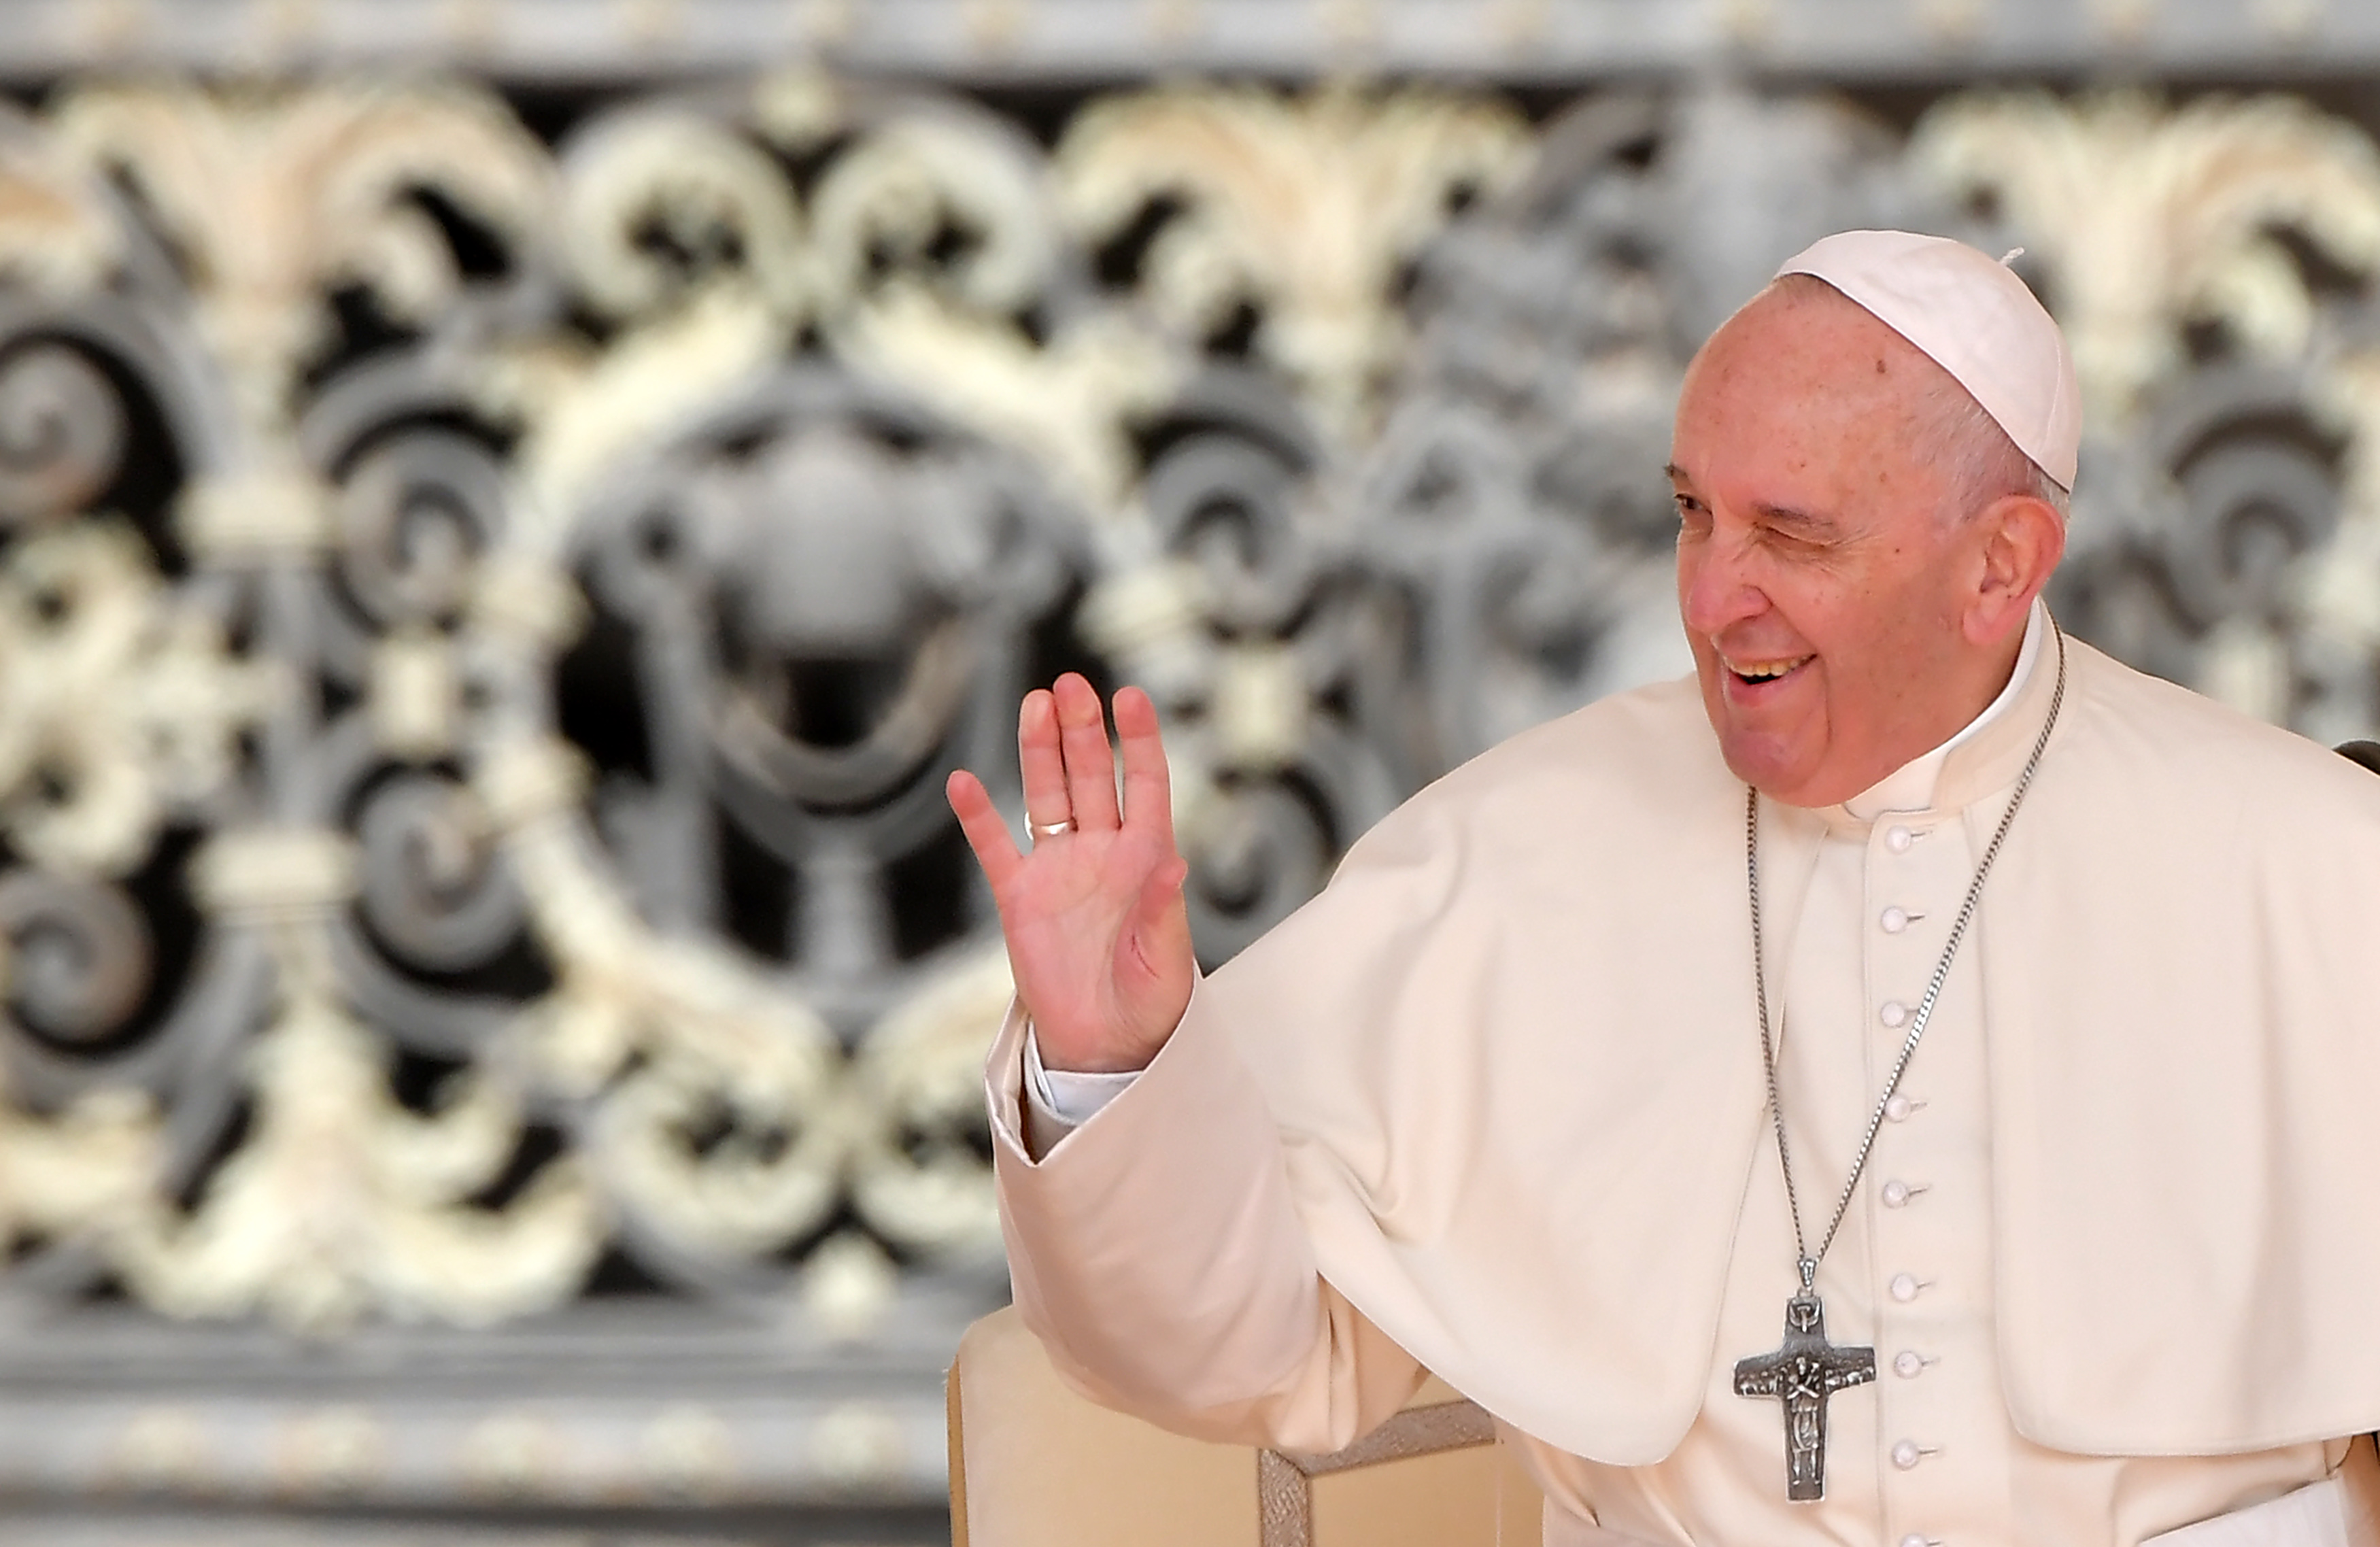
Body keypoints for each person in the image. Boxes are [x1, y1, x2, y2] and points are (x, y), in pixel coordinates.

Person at [944, 230, 2380, 1547]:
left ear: (1999, 564)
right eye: (1694, 514)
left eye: (1792, 534)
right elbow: (1253, 1355)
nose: (1708, 597)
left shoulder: (2310, 857)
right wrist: (1115, 1060)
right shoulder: (1519, 854)